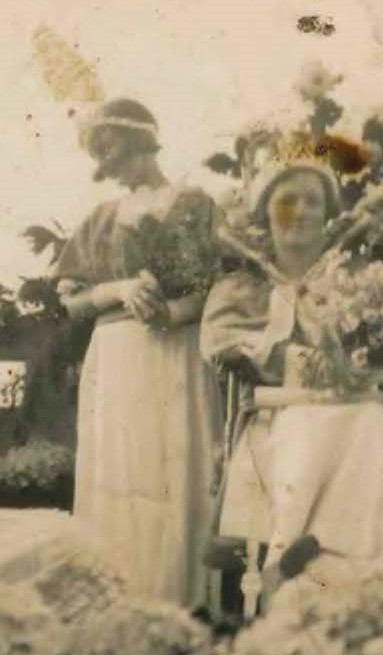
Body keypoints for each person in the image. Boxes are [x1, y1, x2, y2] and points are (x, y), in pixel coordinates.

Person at [200, 156, 383, 590]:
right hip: (278, 412)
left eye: (312, 202)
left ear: (328, 212)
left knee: (380, 427)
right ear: (265, 212)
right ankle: (297, 573)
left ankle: (375, 582)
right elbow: (221, 346)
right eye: (287, 201)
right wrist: (281, 349)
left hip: (358, 407)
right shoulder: (241, 288)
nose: (300, 211)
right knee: (304, 431)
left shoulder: (357, 279)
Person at [52, 98, 223, 607]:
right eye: (100, 152)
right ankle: (119, 603)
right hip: (118, 356)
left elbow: (222, 285)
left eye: (112, 147)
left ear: (138, 140)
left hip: (178, 351)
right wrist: (120, 290)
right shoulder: (101, 218)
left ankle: (185, 600)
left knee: (178, 464)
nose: (107, 162)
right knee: (122, 472)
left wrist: (172, 313)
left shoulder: (195, 204)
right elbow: (73, 301)